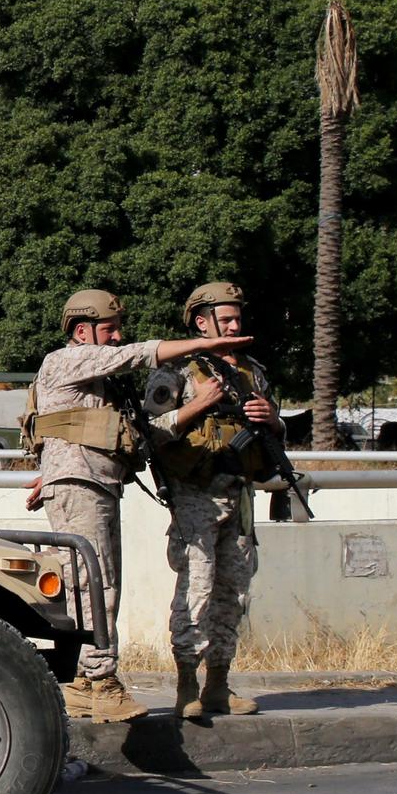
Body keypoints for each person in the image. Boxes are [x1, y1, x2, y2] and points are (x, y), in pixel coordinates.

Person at [23, 289, 253, 723]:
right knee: (96, 584)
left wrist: (200, 407)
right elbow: (140, 354)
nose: (117, 337)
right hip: (82, 484)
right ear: (81, 330)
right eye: (109, 329)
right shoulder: (64, 360)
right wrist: (203, 345)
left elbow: (144, 436)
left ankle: (88, 684)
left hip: (96, 484)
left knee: (99, 584)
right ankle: (102, 682)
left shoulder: (104, 387)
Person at [147, 281, 279, 718]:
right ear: (202, 322)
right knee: (196, 590)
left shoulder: (252, 372)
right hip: (195, 496)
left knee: (233, 592)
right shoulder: (177, 372)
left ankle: (218, 684)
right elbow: (150, 432)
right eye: (227, 318)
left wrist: (271, 418)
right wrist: (197, 405)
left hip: (238, 494)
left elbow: (276, 434)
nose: (235, 324)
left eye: (238, 316)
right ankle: (187, 686)